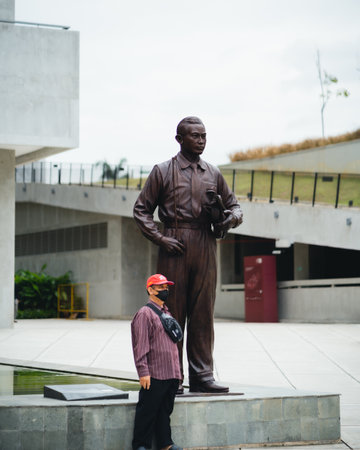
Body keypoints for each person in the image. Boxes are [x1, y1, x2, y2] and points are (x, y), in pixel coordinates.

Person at [133, 116, 243, 394]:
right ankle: (173, 376)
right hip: (174, 244)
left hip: (205, 243)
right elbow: (141, 210)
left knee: (203, 312)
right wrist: (160, 238)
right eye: (195, 136)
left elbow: (235, 207)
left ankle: (203, 376)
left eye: (204, 135)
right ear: (179, 139)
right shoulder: (162, 171)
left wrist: (230, 219)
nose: (201, 140)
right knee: (172, 313)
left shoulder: (213, 173)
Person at [131, 273, 183, 450]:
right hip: (155, 374)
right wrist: (143, 371)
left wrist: (178, 373)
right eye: (160, 287)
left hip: (171, 373)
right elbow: (140, 345)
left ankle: (165, 444)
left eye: (166, 287)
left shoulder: (166, 312)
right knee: (147, 412)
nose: (165, 290)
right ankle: (140, 445)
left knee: (164, 412)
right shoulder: (144, 314)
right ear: (150, 290)